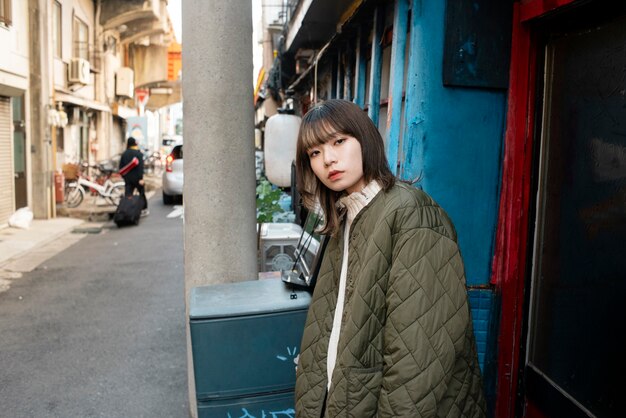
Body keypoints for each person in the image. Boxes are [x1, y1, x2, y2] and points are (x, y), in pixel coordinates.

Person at [294, 99, 486, 417]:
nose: (328, 159)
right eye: (314, 153)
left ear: (365, 139)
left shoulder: (412, 213)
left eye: (339, 141)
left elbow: (418, 360)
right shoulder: (344, 217)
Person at [119, 136, 148, 215]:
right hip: (137, 179)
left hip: (128, 179)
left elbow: (121, 168)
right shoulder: (138, 154)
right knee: (141, 193)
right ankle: (144, 209)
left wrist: (125, 178)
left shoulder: (124, 154)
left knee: (128, 196)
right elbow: (140, 167)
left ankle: (128, 210)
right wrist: (141, 178)